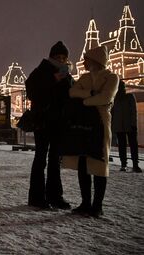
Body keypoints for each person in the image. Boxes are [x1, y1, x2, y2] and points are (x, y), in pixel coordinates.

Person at [64, 46, 119, 217]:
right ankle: (85, 202)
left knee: (99, 162)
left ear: (96, 60)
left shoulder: (112, 77)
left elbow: (107, 97)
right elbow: (71, 92)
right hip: (83, 122)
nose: (84, 62)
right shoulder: (85, 77)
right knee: (83, 161)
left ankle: (97, 205)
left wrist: (83, 101)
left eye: (86, 59)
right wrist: (91, 94)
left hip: (101, 122)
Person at [26, 41, 73, 209]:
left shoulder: (67, 74)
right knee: (40, 158)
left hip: (59, 122)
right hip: (44, 121)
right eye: (58, 56)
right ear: (51, 56)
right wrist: (53, 79)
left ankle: (55, 196)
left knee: (55, 160)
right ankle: (37, 197)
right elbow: (31, 91)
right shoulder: (41, 71)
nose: (61, 60)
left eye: (64, 57)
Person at [112, 81, 141, 173]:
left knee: (128, 145)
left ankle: (131, 164)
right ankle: (127, 164)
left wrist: (133, 124)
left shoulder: (125, 97)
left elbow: (133, 112)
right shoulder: (118, 98)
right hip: (123, 125)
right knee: (126, 145)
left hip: (126, 125)